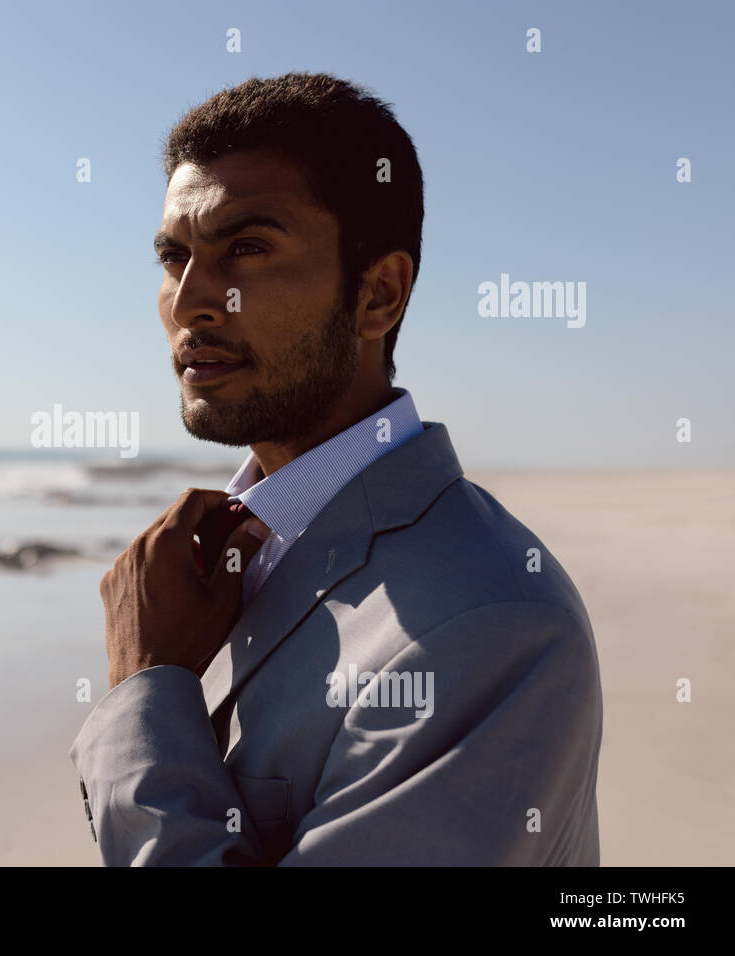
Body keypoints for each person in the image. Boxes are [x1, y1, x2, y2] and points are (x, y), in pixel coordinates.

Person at [69, 72, 602, 866]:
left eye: (246, 247)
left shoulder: (492, 625)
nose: (189, 303)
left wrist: (143, 692)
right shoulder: (234, 555)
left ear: (378, 295)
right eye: (174, 257)